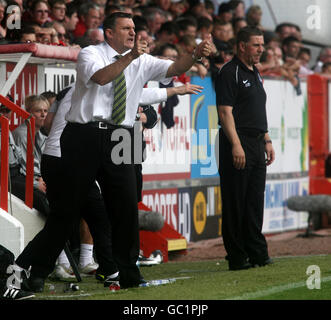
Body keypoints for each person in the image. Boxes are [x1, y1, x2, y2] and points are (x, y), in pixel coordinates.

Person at [6, 11, 212, 292]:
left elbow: (174, 67)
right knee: (66, 213)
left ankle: (126, 273)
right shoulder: (90, 54)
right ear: (109, 33)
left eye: (134, 28)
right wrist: (130, 58)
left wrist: (196, 54)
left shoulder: (142, 59)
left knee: (126, 206)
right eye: (126, 28)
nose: (132, 32)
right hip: (84, 134)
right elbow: (102, 78)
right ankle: (32, 269)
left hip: (121, 134)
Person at [215, 26, 275, 271]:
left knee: (254, 201)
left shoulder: (255, 72)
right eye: (256, 45)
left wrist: (267, 140)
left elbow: (257, 110)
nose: (261, 49)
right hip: (236, 141)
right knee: (235, 201)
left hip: (256, 142)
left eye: (262, 45)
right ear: (241, 46)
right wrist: (236, 145)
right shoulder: (230, 72)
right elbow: (224, 112)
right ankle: (237, 257)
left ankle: (257, 252)